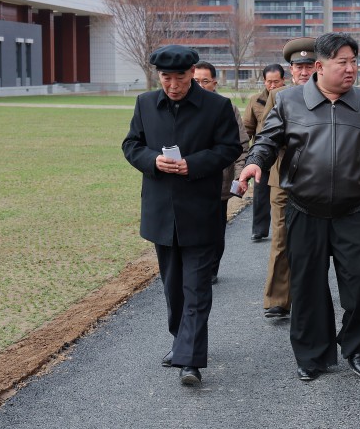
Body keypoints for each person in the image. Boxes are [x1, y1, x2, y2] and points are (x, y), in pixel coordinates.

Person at [238, 33, 360, 382]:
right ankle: (313, 355)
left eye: (354, 61)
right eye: (342, 62)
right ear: (319, 66)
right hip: (305, 208)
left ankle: (355, 346)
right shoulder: (289, 101)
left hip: (355, 209)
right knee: (308, 287)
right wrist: (255, 162)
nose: (351, 69)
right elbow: (267, 140)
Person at [122, 45, 242, 386]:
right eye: (166, 78)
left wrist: (193, 163)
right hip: (161, 212)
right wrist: (152, 161)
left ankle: (190, 360)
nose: (173, 85)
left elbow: (230, 148)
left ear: (193, 73)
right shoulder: (145, 103)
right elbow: (131, 144)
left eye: (180, 78)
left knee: (196, 287)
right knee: (173, 288)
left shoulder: (217, 106)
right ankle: (181, 339)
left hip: (201, 210)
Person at [258, 38, 316, 320]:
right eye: (298, 67)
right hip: (282, 177)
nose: (303, 72)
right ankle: (278, 299)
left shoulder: (328, 94)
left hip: (317, 179)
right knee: (281, 238)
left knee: (315, 241)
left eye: (308, 66)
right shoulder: (278, 96)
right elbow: (265, 134)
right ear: (290, 70)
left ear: (318, 67)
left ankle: (310, 299)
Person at [193, 61, 249, 284]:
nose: (199, 85)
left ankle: (211, 269)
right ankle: (193, 267)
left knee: (215, 228)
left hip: (219, 182)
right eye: (195, 80)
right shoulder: (182, 107)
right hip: (190, 181)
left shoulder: (227, 108)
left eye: (204, 81)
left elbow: (241, 144)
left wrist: (239, 175)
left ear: (214, 83)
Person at [242, 63, 285, 241]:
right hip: (262, 154)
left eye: (276, 81)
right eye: (269, 82)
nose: (273, 85)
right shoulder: (255, 100)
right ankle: (259, 229)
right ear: (264, 81)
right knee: (260, 194)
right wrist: (246, 157)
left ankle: (282, 230)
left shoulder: (288, 97)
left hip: (281, 155)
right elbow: (247, 128)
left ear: (284, 80)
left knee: (281, 196)